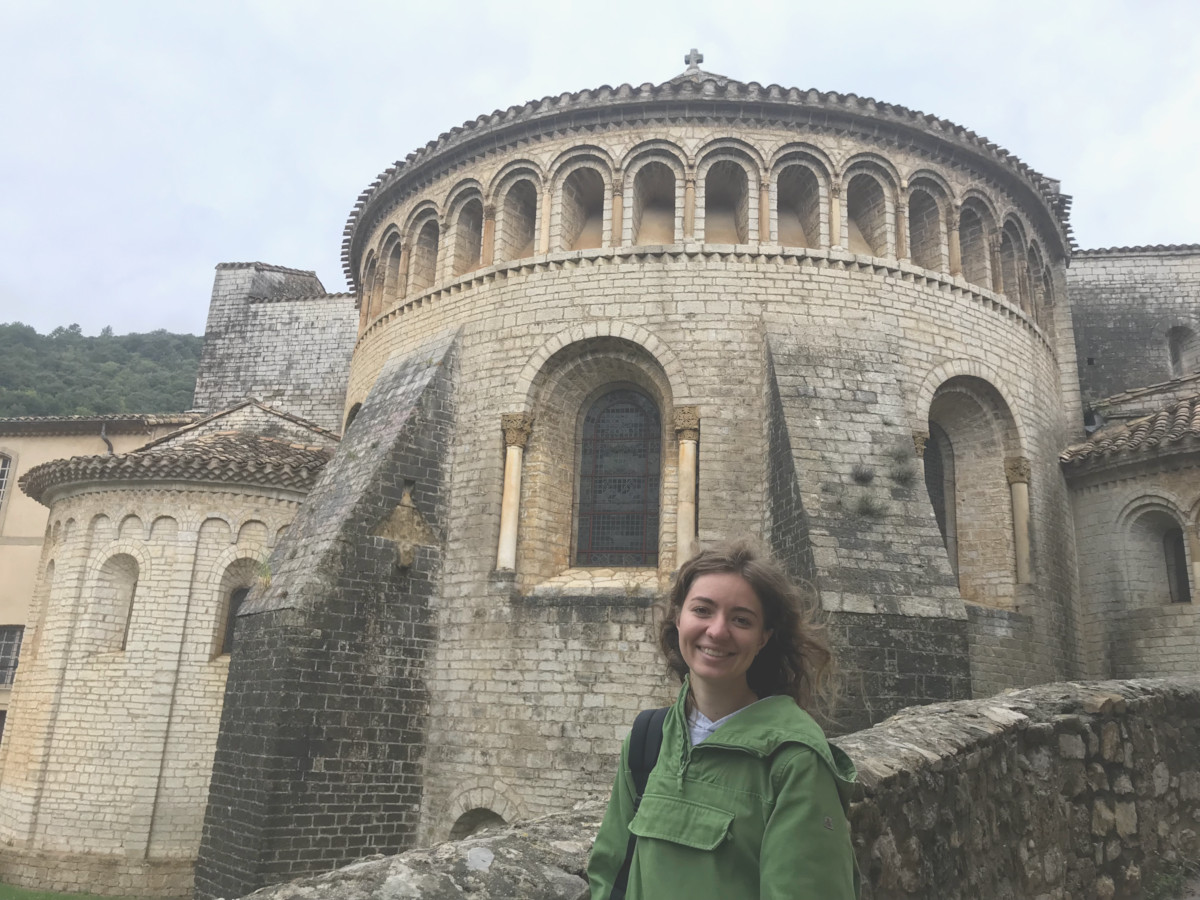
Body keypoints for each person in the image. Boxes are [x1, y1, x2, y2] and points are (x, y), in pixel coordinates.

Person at [587, 540, 859, 899]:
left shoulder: (795, 760)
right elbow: (609, 874)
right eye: (702, 610)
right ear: (678, 617)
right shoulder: (648, 739)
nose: (717, 631)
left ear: (763, 639)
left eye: (741, 620)